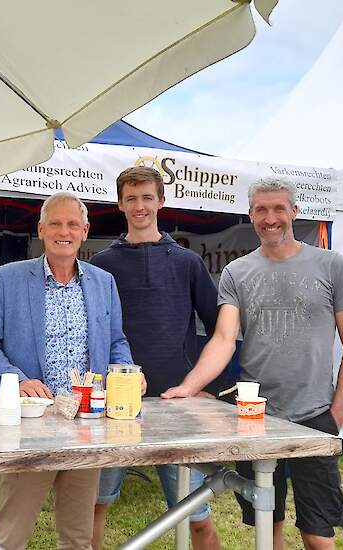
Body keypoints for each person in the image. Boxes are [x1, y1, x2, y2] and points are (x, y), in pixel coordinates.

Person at [162, 176, 343, 550]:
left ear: (294, 212)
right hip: (255, 419)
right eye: (261, 210)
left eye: (278, 209)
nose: (270, 218)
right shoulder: (237, 272)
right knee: (266, 527)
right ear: (251, 215)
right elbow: (224, 338)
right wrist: (189, 387)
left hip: (315, 415)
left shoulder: (332, 266)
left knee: (318, 535)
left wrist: (337, 415)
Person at [0, 191, 134, 550]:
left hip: (87, 424)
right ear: (40, 229)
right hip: (31, 425)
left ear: (85, 231)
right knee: (12, 534)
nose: (64, 231)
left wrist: (125, 373)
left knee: (78, 537)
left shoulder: (103, 282)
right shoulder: (5, 279)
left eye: (73, 224)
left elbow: (116, 342)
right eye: (55, 223)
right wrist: (16, 380)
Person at [89, 166, 221, 550]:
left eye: (147, 197)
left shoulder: (187, 262)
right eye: (131, 198)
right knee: (94, 508)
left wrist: (206, 387)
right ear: (120, 204)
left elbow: (220, 330)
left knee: (196, 515)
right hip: (115, 407)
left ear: (161, 201)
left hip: (176, 405)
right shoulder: (101, 266)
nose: (140, 206)